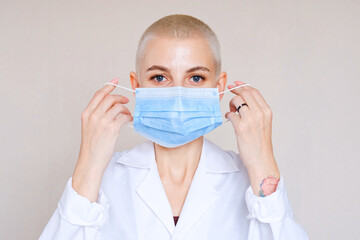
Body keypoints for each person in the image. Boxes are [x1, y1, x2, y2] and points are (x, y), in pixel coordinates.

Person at [39, 14, 309, 239]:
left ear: (219, 87)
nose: (178, 93)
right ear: (136, 86)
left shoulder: (249, 180)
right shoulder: (102, 179)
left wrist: (262, 162)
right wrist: (88, 163)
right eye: (159, 77)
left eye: (195, 77)